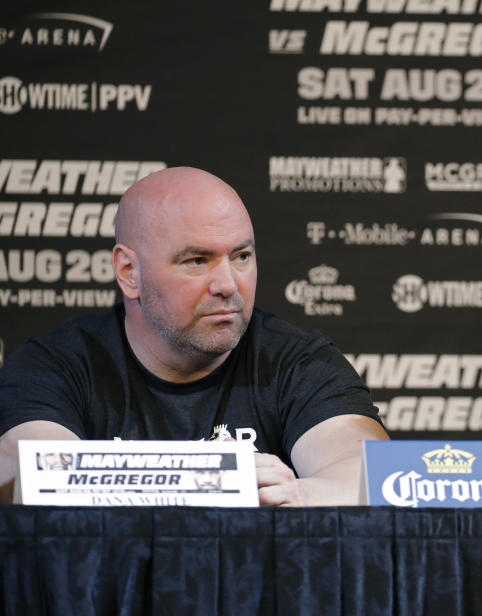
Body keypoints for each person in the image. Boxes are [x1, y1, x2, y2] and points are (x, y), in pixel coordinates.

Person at [0, 167, 389, 505]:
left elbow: (376, 477)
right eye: (197, 260)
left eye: (241, 257)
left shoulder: (298, 362)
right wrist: (221, 483)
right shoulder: (54, 366)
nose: (227, 285)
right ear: (129, 272)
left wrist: (301, 495)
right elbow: (32, 479)